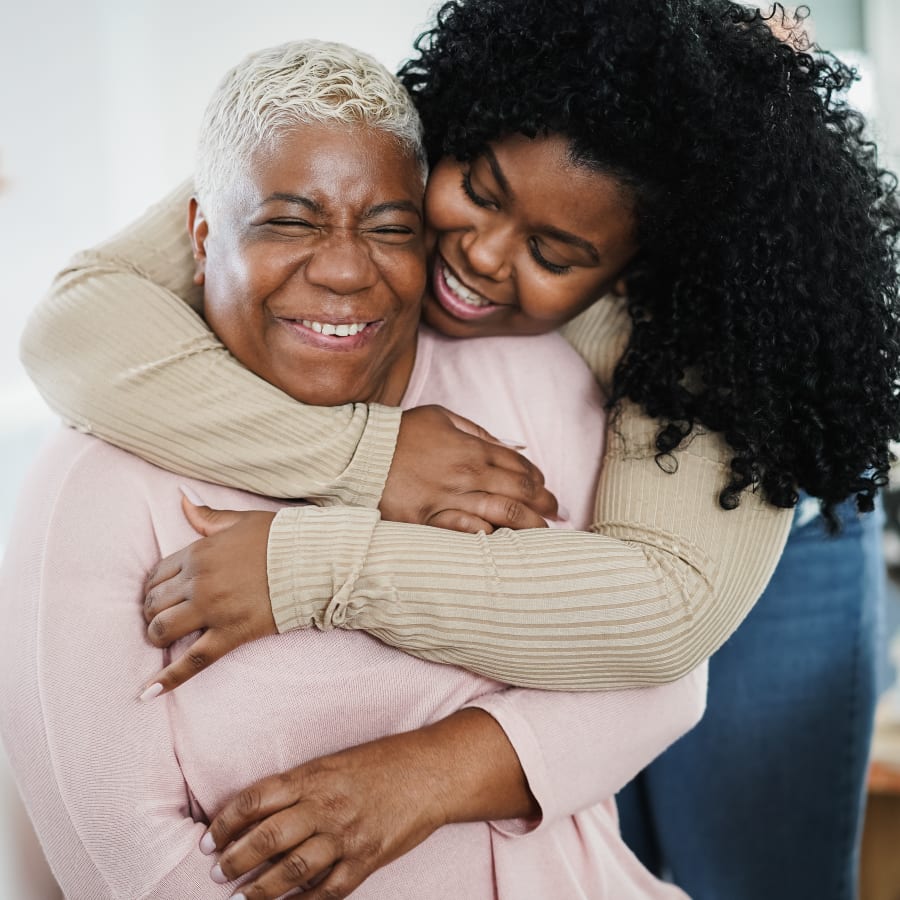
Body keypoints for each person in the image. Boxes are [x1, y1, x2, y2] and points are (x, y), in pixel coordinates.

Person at [17, 0, 900, 895]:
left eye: (552, 252)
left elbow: (661, 620)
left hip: (739, 510)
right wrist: (368, 457)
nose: (476, 254)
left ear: (632, 273)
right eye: (476, 192)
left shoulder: (724, 316)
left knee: (760, 868)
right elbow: (75, 324)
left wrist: (311, 570)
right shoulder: (417, 129)